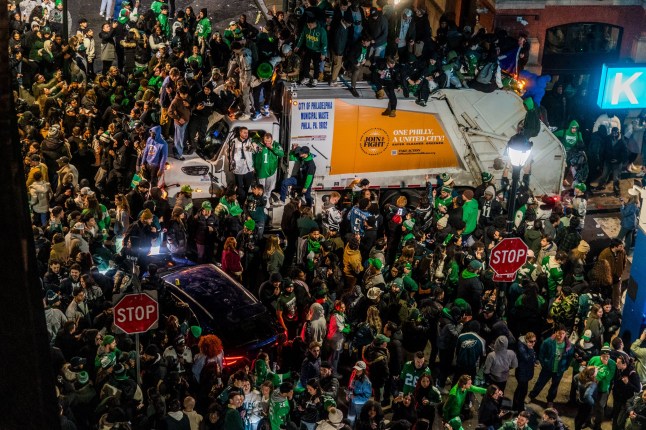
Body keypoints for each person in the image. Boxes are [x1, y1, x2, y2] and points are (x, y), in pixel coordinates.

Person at [527, 325, 574, 408]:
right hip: (547, 369)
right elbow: (541, 353)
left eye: (563, 333)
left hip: (559, 370)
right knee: (540, 383)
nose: (560, 336)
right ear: (555, 333)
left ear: (565, 334)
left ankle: (550, 400)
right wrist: (544, 364)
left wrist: (565, 367)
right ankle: (531, 396)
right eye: (559, 333)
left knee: (554, 386)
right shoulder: (548, 342)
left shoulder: (568, 345)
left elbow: (569, 358)